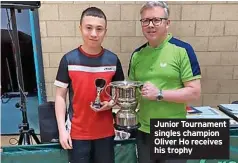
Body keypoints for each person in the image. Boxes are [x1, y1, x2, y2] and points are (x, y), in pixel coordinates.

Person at [128, 1, 201, 163]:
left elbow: (195, 92)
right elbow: (133, 94)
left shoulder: (183, 50)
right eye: (145, 21)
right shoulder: (137, 55)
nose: (150, 25)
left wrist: (159, 94)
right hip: (144, 131)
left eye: (156, 20)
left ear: (167, 23)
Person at [54, 7, 124, 163]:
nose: (94, 33)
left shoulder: (113, 60)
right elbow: (60, 96)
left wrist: (111, 103)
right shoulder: (68, 59)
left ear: (105, 31)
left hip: (105, 133)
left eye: (99, 29)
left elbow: (118, 95)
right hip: (77, 134)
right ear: (80, 28)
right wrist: (62, 131)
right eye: (89, 28)